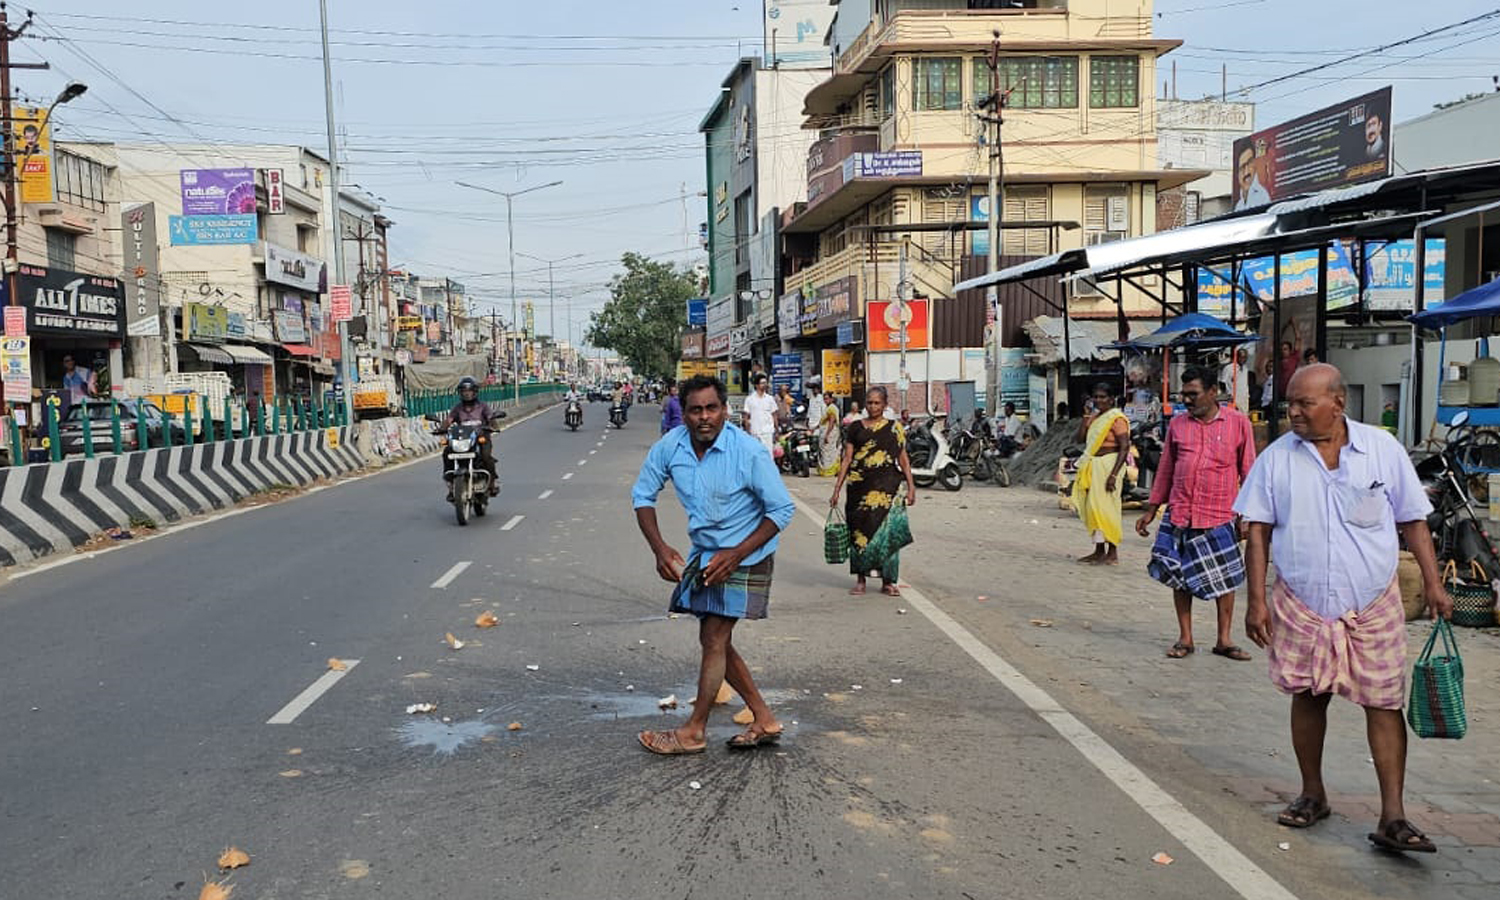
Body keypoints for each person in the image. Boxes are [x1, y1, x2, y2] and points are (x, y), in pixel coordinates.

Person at [1234, 364, 1449, 852]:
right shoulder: (1277, 459)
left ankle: (1393, 816)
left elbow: (1413, 520)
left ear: (1338, 403)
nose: (1293, 413)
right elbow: (1258, 532)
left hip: (1372, 606)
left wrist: (1435, 585)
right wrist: (1256, 601)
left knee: (1384, 703)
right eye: (1290, 403)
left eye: (1305, 404)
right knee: (1308, 697)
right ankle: (1312, 794)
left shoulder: (1382, 450)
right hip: (1302, 604)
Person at [631, 375, 795, 755]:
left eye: (712, 408)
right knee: (716, 639)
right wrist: (659, 548)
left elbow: (781, 509)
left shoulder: (748, 451)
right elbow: (642, 495)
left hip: (748, 552)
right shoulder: (669, 447)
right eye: (695, 410)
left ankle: (694, 730)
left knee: (714, 638)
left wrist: (736, 553)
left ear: (725, 410)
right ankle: (764, 717)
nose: (704, 417)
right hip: (704, 554)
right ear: (683, 413)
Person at [1135, 368, 1257, 660]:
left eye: (1193, 394)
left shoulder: (1238, 424)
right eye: (1184, 395)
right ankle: (1185, 638)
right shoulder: (1177, 425)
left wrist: (1248, 515)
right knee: (1179, 576)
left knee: (1226, 578)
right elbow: (1166, 469)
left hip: (1219, 514)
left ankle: (1224, 639)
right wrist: (1152, 509)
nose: (1187, 400)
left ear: (1213, 391)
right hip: (1181, 512)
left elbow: (1249, 471)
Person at [829, 386, 916, 597]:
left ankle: (888, 581)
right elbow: (847, 459)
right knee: (859, 534)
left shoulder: (895, 428)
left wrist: (911, 486)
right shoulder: (855, 427)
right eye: (869, 402)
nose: (872, 406)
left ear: (885, 405)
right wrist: (837, 489)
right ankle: (860, 579)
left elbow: (903, 459)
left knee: (888, 535)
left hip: (888, 489)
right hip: (859, 489)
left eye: (877, 403)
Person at [1074, 382, 1130, 565]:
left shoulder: (1116, 418)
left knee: (1108, 508)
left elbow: (1124, 446)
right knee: (1093, 509)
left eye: (1103, 397)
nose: (1099, 400)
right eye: (1096, 397)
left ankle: (1112, 552)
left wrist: (1113, 475)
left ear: (1111, 399)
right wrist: (1086, 416)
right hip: (1093, 465)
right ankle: (1099, 550)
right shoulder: (1096, 417)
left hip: (1109, 465)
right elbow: (1080, 439)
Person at [442, 376, 501, 498]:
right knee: (447, 452)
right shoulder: (457, 408)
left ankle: (492, 482)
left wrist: (494, 426)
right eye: (464, 391)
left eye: (469, 391)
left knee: (486, 456)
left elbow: (491, 418)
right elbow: (449, 420)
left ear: (475, 392)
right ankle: (451, 483)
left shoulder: (483, 406)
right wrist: (441, 428)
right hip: (463, 439)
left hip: (480, 438)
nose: (467, 394)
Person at [742, 375, 778, 454]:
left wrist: (777, 429)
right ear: (757, 385)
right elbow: (746, 416)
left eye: (765, 383)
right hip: (755, 432)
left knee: (768, 455)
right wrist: (748, 431)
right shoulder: (750, 399)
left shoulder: (770, 399)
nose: (765, 385)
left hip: (768, 432)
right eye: (762, 383)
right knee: (756, 455)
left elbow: (774, 415)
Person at [1233, 142, 1272, 211]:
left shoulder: (1262, 196)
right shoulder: (1239, 206)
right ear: (1237, 174)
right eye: (1242, 167)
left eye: (1250, 163)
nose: (1247, 172)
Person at [815, 392, 841, 476]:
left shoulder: (832, 408)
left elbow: (831, 422)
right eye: (824, 399)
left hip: (830, 432)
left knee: (828, 451)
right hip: (825, 431)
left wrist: (827, 434)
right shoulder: (828, 408)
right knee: (826, 451)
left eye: (827, 398)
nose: (825, 400)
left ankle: (829, 470)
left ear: (831, 399)